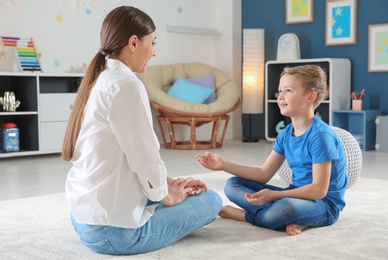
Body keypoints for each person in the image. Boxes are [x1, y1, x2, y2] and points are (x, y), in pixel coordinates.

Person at [62, 6, 222, 255]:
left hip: (83, 217)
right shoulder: (126, 85)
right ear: (134, 42)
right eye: (153, 42)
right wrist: (167, 196)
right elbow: (143, 154)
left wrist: (169, 182)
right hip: (114, 233)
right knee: (211, 201)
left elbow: (123, 155)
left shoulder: (99, 78)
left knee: (177, 189)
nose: (154, 51)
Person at [197, 65, 347, 236]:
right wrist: (223, 165)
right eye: (280, 90)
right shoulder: (285, 134)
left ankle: (246, 216)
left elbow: (319, 190)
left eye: (288, 90)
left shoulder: (321, 136)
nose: (280, 96)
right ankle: (294, 219)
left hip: (323, 204)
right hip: (294, 196)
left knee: (286, 208)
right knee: (233, 185)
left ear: (310, 96)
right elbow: (263, 173)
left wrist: (273, 197)